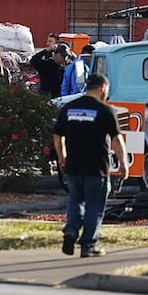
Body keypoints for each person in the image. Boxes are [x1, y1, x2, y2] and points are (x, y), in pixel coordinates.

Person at [52, 72, 127, 258]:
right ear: (102, 88)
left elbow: (57, 135)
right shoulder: (105, 110)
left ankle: (71, 230)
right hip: (96, 166)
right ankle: (88, 245)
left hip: (73, 165)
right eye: (107, 90)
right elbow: (117, 140)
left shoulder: (69, 109)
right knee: (94, 205)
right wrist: (123, 163)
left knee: (76, 201)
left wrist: (62, 157)